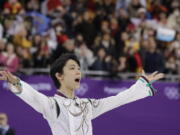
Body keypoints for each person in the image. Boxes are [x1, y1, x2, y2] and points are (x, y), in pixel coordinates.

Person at [0, 53, 164, 135]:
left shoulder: (88, 105)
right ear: (59, 75)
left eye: (79, 68)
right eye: (72, 68)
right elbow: (33, 96)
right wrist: (16, 83)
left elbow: (118, 99)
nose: (78, 71)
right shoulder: (52, 105)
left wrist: (142, 84)